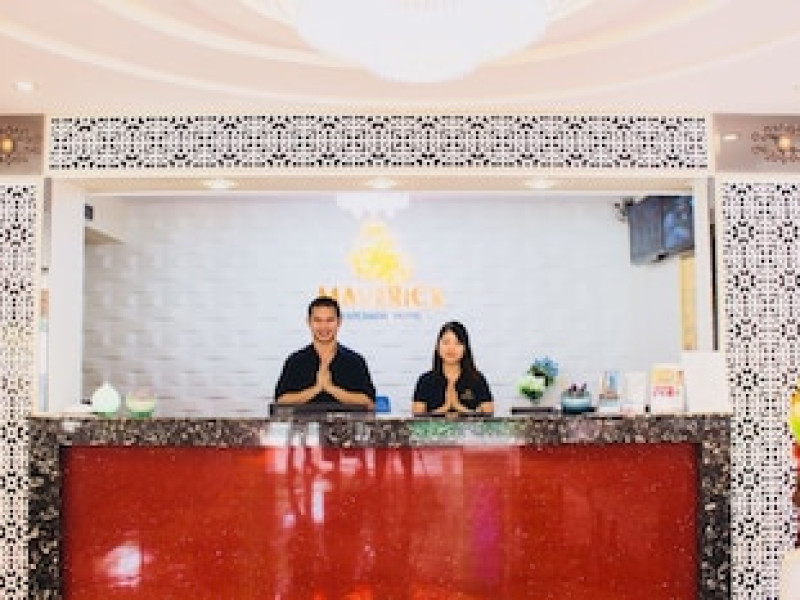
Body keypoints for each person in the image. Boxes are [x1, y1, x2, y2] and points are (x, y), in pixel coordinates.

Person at [274, 296, 376, 409]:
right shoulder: (295, 361)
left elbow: (369, 401)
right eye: (318, 320)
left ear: (339, 322)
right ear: (309, 322)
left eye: (329, 320)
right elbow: (281, 400)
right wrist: (316, 389)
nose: (324, 326)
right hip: (304, 421)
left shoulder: (355, 361)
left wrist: (331, 388)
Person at [412, 321, 494, 415]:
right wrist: (445, 408)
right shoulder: (425, 381)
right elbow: (417, 418)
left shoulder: (477, 379)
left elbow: (489, 416)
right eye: (446, 343)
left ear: (465, 348)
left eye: (457, 343)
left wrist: (458, 407)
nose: (451, 348)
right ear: (437, 347)